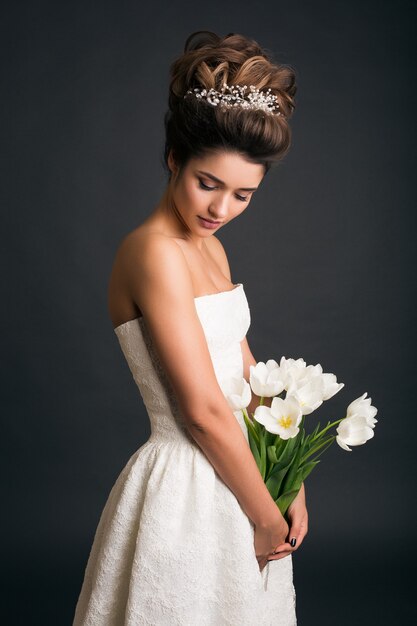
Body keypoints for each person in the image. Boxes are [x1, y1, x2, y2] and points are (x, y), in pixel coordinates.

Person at [73, 30, 308, 626]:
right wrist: (263, 514)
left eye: (243, 196)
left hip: (244, 475)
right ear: (175, 158)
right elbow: (202, 410)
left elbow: (248, 369)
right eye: (208, 184)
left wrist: (290, 473)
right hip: (189, 487)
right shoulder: (153, 252)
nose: (220, 210)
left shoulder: (210, 249)